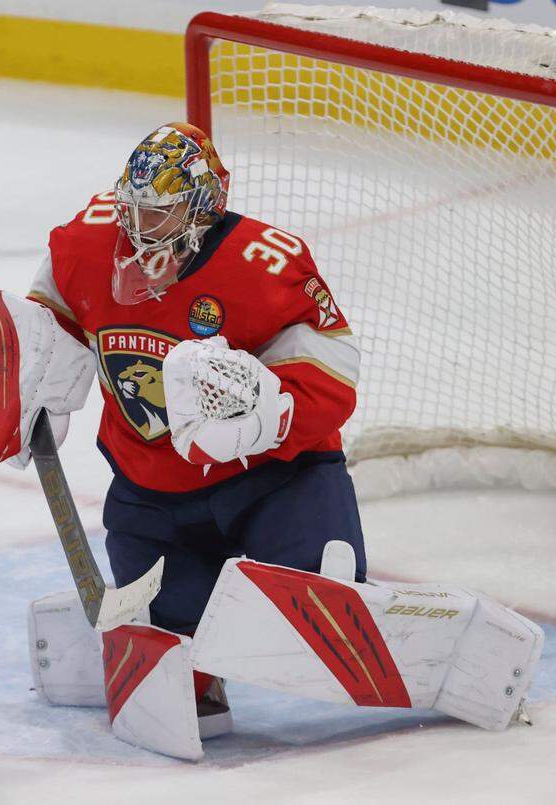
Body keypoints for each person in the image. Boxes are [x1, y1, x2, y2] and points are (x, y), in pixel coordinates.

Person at [26, 122, 367, 732]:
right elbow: (50, 311)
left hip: (274, 479)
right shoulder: (85, 242)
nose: (136, 229)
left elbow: (334, 371)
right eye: (132, 209)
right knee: (170, 635)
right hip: (152, 490)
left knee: (317, 609)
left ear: (204, 207)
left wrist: (271, 417)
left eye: (158, 213)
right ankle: (192, 667)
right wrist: (23, 371)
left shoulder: (266, 264)